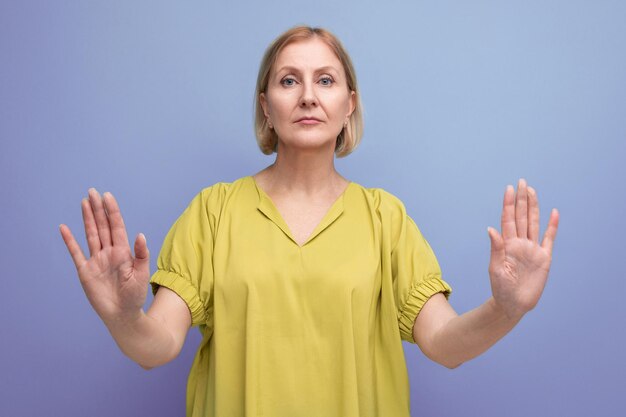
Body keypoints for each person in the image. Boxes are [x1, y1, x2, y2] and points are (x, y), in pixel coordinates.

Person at [59, 26, 560, 417]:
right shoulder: (212, 213)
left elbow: (444, 344)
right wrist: (123, 317)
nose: (307, 96)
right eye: (288, 80)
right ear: (266, 107)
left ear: (349, 106)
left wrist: (505, 309)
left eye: (325, 80)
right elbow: (157, 346)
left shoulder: (385, 219)